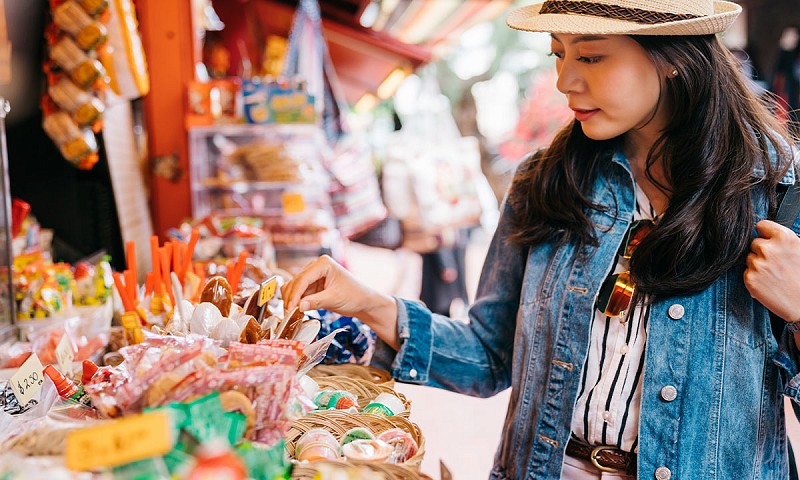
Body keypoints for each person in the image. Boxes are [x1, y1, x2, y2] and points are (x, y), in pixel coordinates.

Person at [282, 1, 800, 478]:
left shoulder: (776, 194)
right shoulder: (548, 181)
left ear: (675, 59)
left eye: (592, 57)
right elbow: (490, 355)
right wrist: (367, 303)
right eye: (558, 53)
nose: (564, 80)